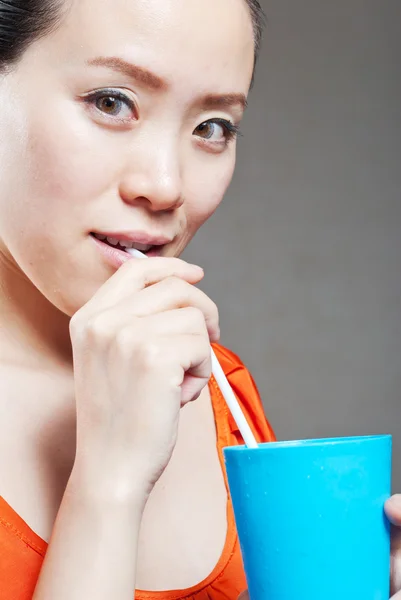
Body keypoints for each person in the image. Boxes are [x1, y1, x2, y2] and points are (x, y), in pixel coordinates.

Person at [0, 0, 399, 598]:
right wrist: (109, 482)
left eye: (212, 127)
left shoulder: (218, 389)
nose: (166, 186)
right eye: (112, 101)